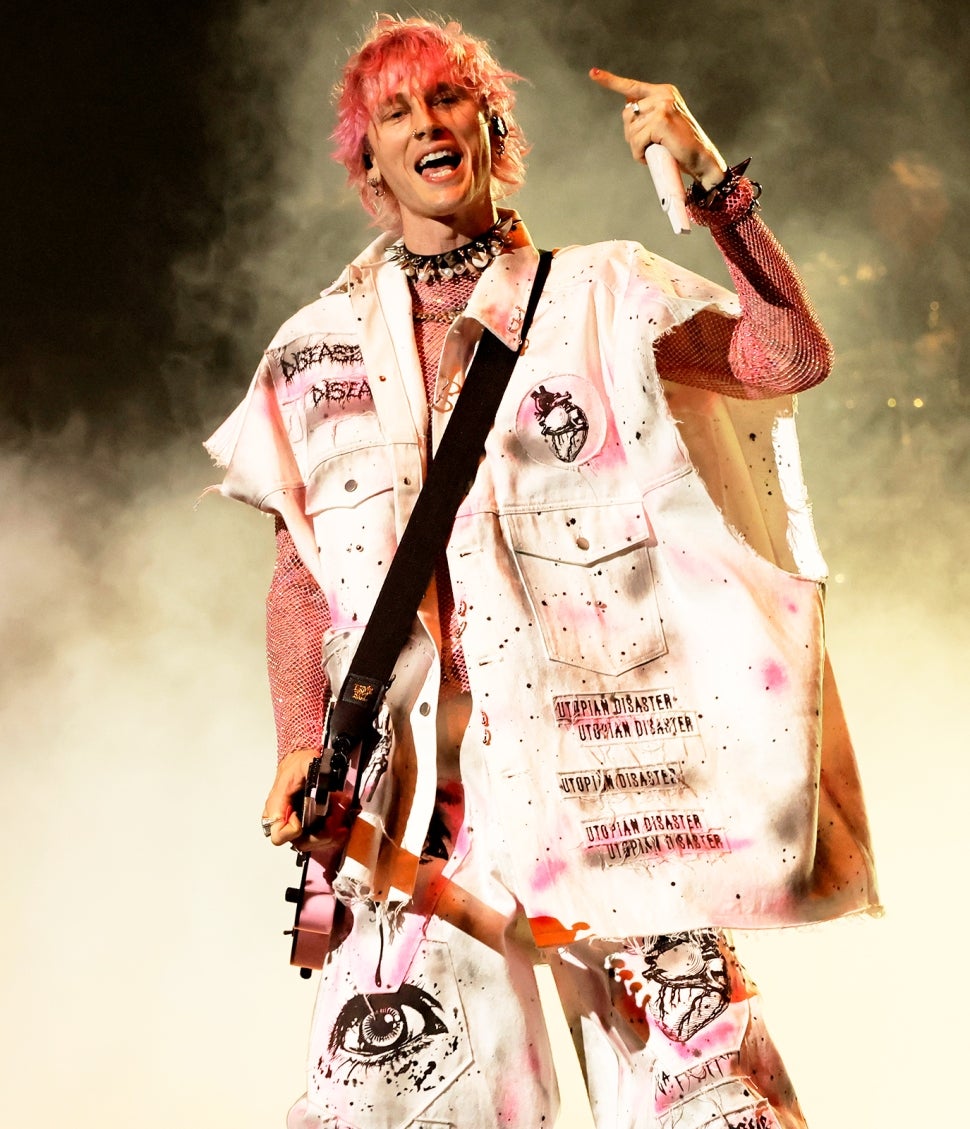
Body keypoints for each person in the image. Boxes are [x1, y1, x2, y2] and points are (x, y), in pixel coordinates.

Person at [205, 16, 878, 1129]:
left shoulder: (601, 296)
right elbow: (301, 579)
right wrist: (296, 741)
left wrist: (716, 192)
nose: (427, 123)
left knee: (712, 1101)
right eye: (396, 111)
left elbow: (788, 357)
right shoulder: (313, 352)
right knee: (403, 1102)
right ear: (368, 163)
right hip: (416, 805)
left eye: (448, 98)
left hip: (611, 772)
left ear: (490, 127)